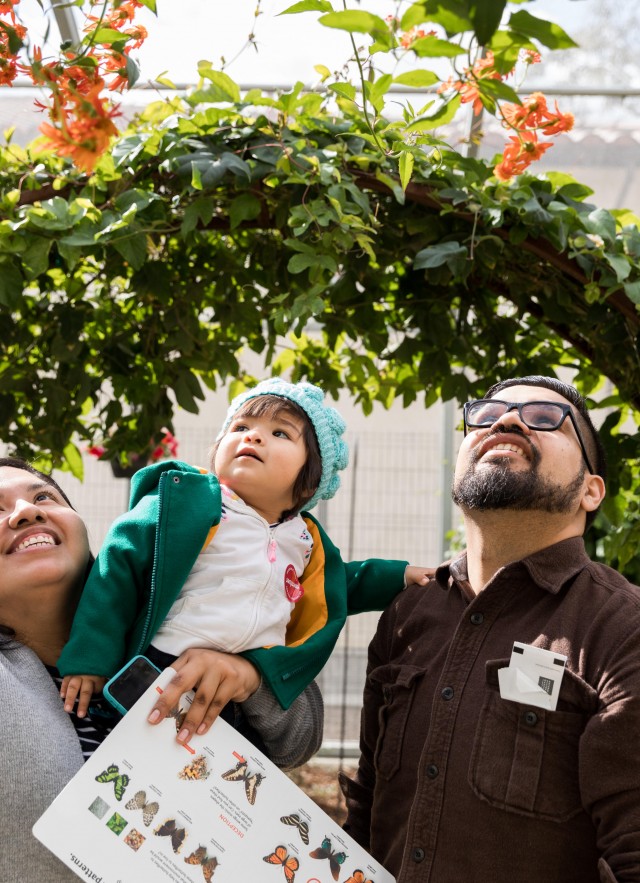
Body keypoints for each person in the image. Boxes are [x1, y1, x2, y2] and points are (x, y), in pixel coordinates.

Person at [342, 375, 640, 883]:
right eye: (484, 414)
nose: (505, 420)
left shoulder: (623, 627)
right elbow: (369, 809)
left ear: (591, 491)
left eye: (546, 418)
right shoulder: (409, 614)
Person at [0, 457, 324, 883]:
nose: (27, 511)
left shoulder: (182, 607)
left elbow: (300, 741)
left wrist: (251, 678)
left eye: (43, 496)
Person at [58, 378, 429, 738]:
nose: (252, 436)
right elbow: (115, 568)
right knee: (130, 755)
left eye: (280, 433)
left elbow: (341, 584)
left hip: (240, 693)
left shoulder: (303, 539)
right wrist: (90, 658)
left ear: (310, 480)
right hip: (161, 666)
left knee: (207, 777)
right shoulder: (189, 503)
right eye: (240, 426)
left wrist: (400, 576)